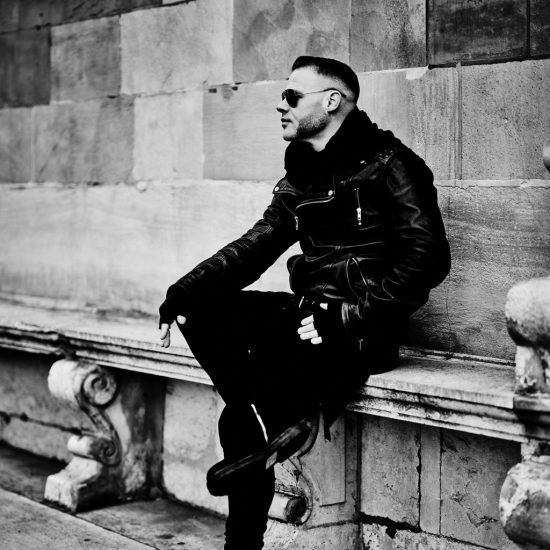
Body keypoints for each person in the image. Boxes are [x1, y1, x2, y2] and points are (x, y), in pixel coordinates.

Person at [158, 56, 451, 549]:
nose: (281, 105)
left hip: (359, 329)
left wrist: (347, 317)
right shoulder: (304, 172)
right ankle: (279, 420)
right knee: (198, 310)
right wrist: (186, 288)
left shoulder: (391, 164)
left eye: (292, 96)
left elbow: (428, 260)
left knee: (239, 422)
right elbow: (258, 243)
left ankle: (249, 514)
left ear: (333, 101)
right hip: (308, 316)